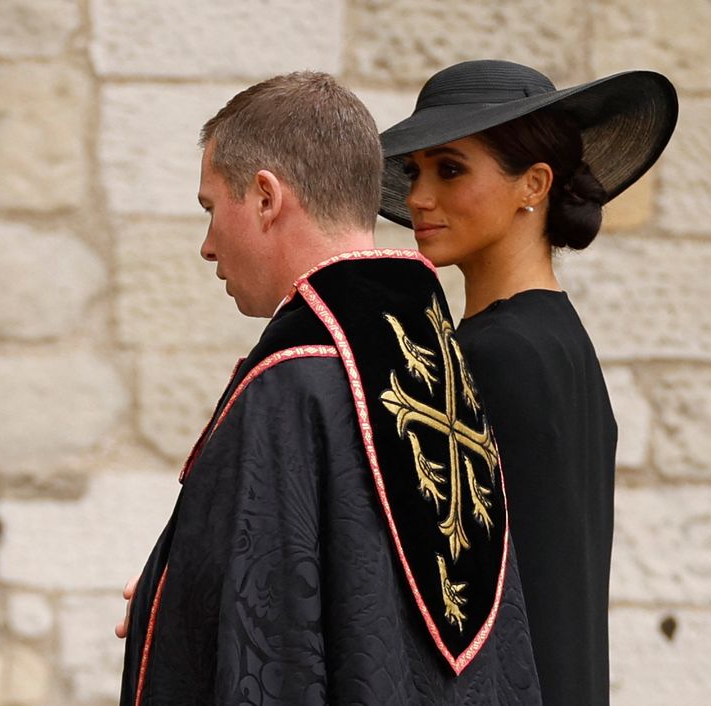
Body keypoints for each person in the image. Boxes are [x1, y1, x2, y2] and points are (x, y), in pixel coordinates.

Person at [118, 71, 542, 705]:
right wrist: (169, 587)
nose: (207, 247)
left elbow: (273, 651)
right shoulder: (437, 356)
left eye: (211, 210)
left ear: (265, 197)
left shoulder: (295, 378)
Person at [378, 60, 678, 706]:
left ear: (533, 185)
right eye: (415, 171)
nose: (418, 197)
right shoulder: (564, 344)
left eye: (449, 169)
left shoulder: (495, 356)